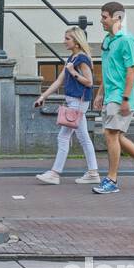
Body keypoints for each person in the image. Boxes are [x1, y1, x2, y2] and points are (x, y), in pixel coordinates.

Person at [91, 1, 134, 195]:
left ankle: (112, 180)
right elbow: (108, 70)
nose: (101, 20)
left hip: (121, 95)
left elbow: (132, 71)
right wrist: (99, 93)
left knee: (110, 134)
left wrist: (125, 98)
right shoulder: (108, 41)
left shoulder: (127, 40)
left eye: (104, 16)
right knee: (116, 136)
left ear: (117, 17)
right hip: (111, 95)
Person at [33, 27, 100, 185]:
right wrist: (43, 96)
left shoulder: (81, 59)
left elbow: (90, 82)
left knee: (64, 137)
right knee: (83, 138)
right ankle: (93, 173)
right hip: (73, 101)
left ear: (76, 41)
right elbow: (59, 81)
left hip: (78, 102)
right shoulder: (72, 58)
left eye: (67, 38)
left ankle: (55, 173)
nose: (64, 41)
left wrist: (74, 72)